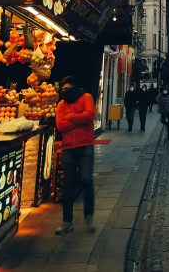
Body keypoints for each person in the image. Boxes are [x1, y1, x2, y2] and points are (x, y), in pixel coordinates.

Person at [55, 75, 96, 235]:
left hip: (85, 145)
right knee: (68, 184)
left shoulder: (86, 97)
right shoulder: (61, 104)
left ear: (74, 87)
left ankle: (89, 216)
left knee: (86, 180)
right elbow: (60, 126)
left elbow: (90, 115)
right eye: (62, 89)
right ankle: (67, 221)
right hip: (68, 148)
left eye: (67, 89)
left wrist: (71, 117)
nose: (64, 92)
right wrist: (80, 119)